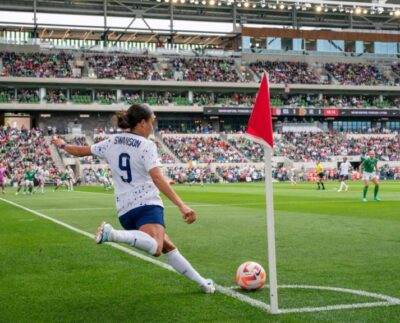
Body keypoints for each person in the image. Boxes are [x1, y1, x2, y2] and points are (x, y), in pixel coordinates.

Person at [51, 104, 215, 294]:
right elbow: (157, 177)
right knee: (156, 247)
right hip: (146, 204)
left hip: (124, 210)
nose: (153, 126)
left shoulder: (112, 141)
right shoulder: (146, 146)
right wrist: (182, 205)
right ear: (142, 122)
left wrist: (62, 144)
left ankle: (203, 283)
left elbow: (79, 151)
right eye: (152, 121)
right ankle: (112, 234)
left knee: (168, 246)